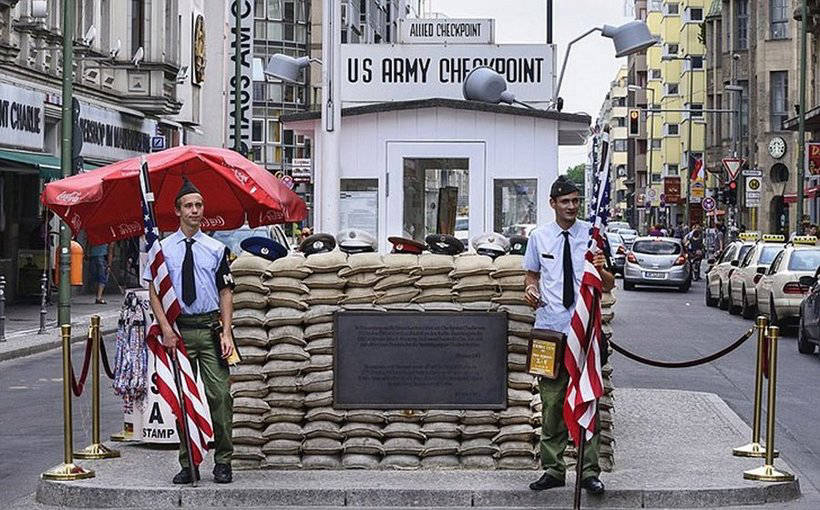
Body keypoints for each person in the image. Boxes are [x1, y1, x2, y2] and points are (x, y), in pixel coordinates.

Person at [522, 176, 615, 495]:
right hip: (550, 331)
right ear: (553, 204)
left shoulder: (593, 234)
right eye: (566, 201)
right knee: (551, 402)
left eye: (576, 201)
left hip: (585, 333)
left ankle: (589, 471)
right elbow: (531, 275)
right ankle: (553, 468)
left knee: (588, 397)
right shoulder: (539, 237)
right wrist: (530, 289)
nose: (572, 206)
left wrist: (601, 268)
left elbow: (608, 283)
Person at [144, 177, 236, 485]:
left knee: (220, 396)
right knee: (183, 400)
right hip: (179, 332)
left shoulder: (216, 248)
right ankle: (189, 463)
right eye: (189, 206)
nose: (195, 210)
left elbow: (226, 292)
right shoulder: (163, 250)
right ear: (177, 211)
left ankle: (223, 460)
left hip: (209, 330)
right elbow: (155, 291)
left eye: (198, 205)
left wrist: (227, 332)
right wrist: (166, 329)